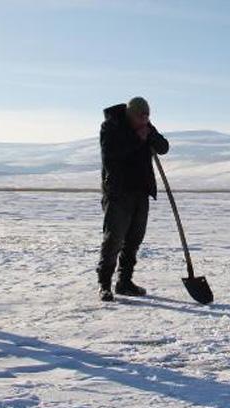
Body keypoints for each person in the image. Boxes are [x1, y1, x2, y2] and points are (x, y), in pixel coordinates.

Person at [96, 97, 169, 301]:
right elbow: (111, 156)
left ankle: (124, 282)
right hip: (118, 192)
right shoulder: (111, 127)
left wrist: (150, 137)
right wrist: (138, 139)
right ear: (131, 114)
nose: (145, 120)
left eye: (148, 116)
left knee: (133, 240)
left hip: (140, 191)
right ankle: (104, 284)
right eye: (141, 116)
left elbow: (163, 147)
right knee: (114, 239)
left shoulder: (146, 126)